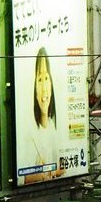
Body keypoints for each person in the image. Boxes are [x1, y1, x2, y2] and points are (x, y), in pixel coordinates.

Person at [20, 48, 65, 184]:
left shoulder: (53, 126)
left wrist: (47, 171)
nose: (44, 87)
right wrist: (47, 172)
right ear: (34, 88)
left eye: (46, 78)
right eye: (40, 79)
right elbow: (22, 177)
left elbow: (63, 167)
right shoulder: (30, 132)